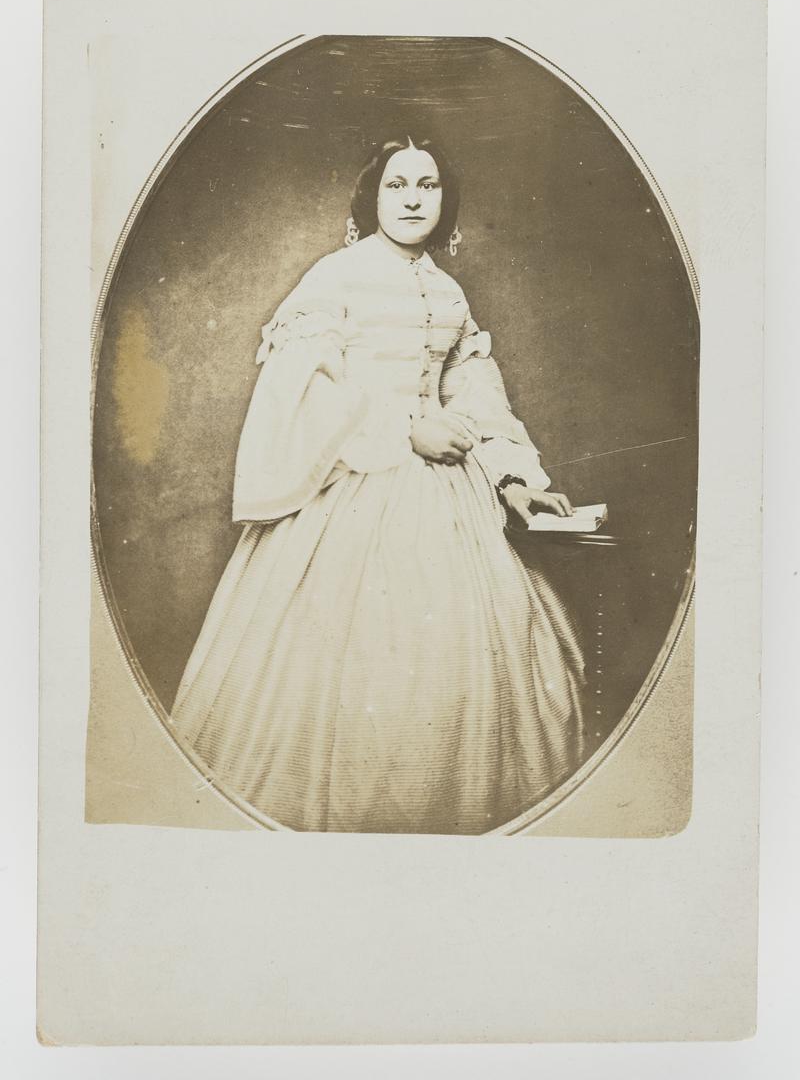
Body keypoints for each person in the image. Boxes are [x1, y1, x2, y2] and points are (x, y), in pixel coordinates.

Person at [169, 134, 586, 834]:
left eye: (428, 185)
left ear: (446, 200)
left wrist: (514, 480)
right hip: (354, 491)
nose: (415, 197)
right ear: (373, 197)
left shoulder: (450, 292)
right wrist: (404, 430)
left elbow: (475, 393)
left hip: (452, 504)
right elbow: (306, 389)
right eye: (398, 185)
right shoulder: (335, 278)